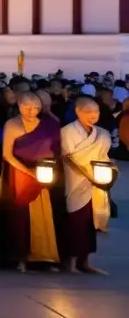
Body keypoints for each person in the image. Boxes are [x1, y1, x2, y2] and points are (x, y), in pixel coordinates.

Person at [3, 92, 60, 272]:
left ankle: (45, 256)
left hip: (42, 174)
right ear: (19, 106)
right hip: (20, 173)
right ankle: (21, 257)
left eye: (35, 108)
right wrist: (27, 171)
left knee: (43, 215)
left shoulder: (47, 125)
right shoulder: (12, 125)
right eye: (27, 107)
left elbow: (55, 150)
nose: (31, 111)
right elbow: (7, 154)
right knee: (21, 216)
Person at [60, 97, 111, 275]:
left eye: (96, 112)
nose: (93, 115)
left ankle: (86, 261)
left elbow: (104, 158)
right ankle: (71, 263)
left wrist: (106, 172)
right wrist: (91, 172)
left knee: (91, 222)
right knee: (76, 223)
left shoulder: (102, 134)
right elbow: (71, 157)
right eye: (88, 112)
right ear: (78, 112)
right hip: (75, 180)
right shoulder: (67, 132)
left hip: (95, 183)